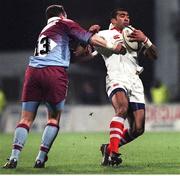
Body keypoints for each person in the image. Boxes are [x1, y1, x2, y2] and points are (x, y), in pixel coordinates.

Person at [3, 5, 124, 169]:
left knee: (25, 119)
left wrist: (91, 45)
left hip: (33, 72)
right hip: (54, 72)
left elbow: (73, 57)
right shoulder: (64, 23)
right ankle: (40, 158)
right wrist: (111, 46)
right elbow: (90, 40)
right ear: (63, 14)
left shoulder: (45, 31)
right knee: (53, 118)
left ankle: (13, 157)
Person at [91, 8, 157, 166]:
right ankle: (114, 153)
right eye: (122, 16)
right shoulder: (104, 35)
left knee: (138, 129)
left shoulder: (133, 34)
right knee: (122, 108)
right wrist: (89, 35)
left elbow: (154, 55)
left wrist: (146, 40)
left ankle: (108, 148)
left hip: (135, 81)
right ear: (113, 20)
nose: (126, 18)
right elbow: (83, 53)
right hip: (116, 77)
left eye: (128, 16)